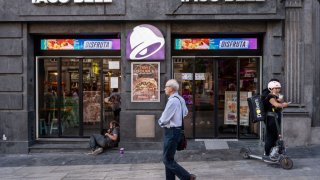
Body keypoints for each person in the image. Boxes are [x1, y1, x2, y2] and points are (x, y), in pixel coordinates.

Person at [158, 79, 196, 180]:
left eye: (166, 87)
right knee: (169, 158)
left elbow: (164, 118)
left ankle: (187, 177)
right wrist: (177, 118)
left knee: (167, 160)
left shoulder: (172, 101)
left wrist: (160, 122)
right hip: (177, 130)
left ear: (171, 88)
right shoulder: (180, 99)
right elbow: (185, 112)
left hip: (171, 131)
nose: (165, 89)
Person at [263, 81, 289, 160]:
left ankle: (273, 152)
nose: (278, 90)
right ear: (271, 88)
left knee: (275, 136)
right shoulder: (270, 96)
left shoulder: (276, 96)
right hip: (271, 119)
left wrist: (281, 101)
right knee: (271, 136)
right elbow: (276, 105)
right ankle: (267, 153)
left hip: (275, 118)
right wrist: (283, 105)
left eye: (279, 88)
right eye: (276, 88)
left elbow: (279, 103)